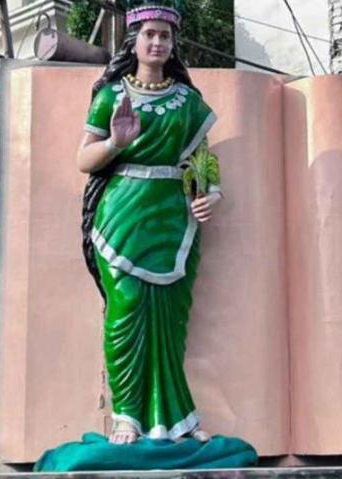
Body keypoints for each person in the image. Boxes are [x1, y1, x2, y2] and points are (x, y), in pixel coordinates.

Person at [77, 0, 222, 446]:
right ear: (134, 41)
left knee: (171, 321)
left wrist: (212, 193)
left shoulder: (188, 102)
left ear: (173, 44)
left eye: (165, 35)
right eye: (149, 34)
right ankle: (127, 416)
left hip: (174, 222)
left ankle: (175, 420)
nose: (157, 42)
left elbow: (203, 159)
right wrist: (116, 144)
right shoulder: (111, 96)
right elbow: (84, 159)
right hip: (121, 218)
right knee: (126, 313)